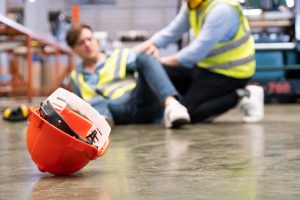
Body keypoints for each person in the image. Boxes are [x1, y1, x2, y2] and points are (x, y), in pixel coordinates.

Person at [135, 0, 264, 123]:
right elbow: (171, 32)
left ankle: (242, 96)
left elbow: (195, 53)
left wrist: (157, 62)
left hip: (231, 73)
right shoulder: (193, 4)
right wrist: (131, 53)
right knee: (159, 73)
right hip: (205, 67)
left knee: (188, 113)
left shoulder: (222, 9)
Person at [65, 23, 190, 128]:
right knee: (96, 104)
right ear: (74, 49)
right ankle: (102, 128)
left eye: (89, 39)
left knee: (144, 57)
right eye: (81, 42)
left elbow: (146, 63)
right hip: (113, 112)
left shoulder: (119, 56)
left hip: (138, 100)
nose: (87, 44)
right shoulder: (75, 76)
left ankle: (172, 105)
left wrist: (152, 54)